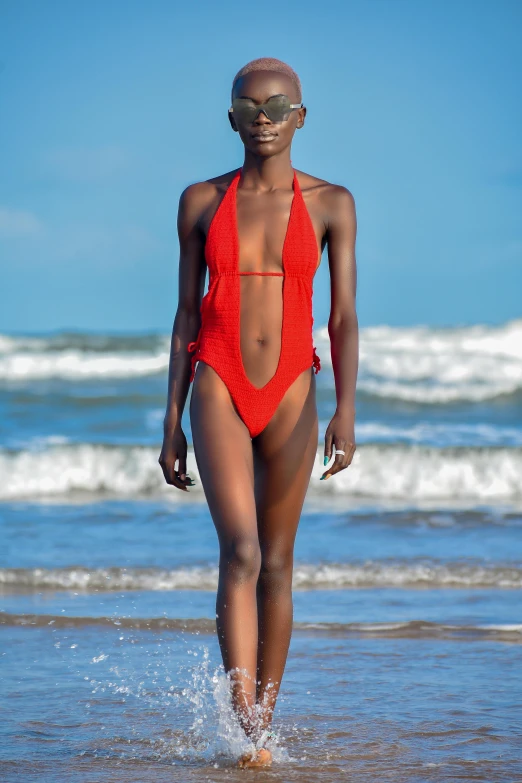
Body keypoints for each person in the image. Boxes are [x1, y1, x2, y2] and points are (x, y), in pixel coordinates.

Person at [159, 56, 358, 768]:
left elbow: (341, 317)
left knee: (277, 561)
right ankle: (244, 722)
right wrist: (170, 420)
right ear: (232, 119)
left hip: (296, 392)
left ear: (301, 117)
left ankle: (261, 732)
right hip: (216, 378)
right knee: (240, 550)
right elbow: (185, 311)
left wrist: (346, 410)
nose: (264, 119)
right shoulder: (201, 201)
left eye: (278, 106)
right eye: (249, 108)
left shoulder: (332, 202)